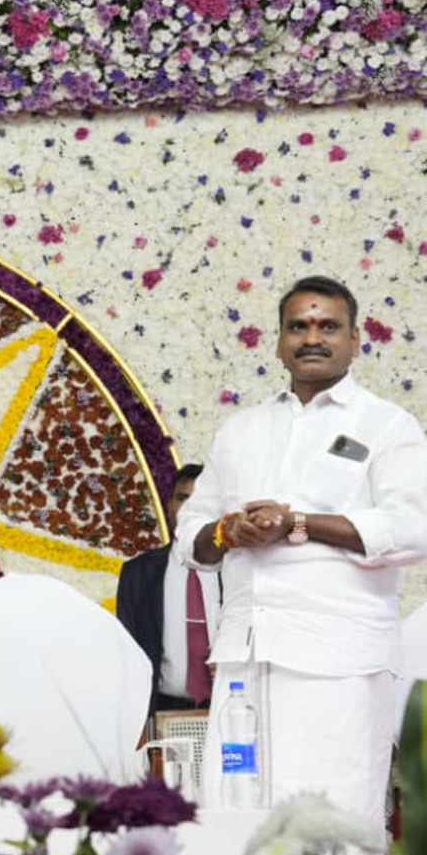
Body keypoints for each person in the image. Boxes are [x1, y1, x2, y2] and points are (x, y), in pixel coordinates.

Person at [176, 275, 427, 822]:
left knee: (331, 823)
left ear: (355, 339)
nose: (312, 337)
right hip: (245, 659)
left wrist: (300, 522)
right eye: (299, 326)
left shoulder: (387, 426)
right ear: (279, 341)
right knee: (237, 819)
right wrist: (229, 532)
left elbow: (412, 528)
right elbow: (191, 534)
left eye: (328, 326)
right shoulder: (241, 429)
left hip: (339, 665)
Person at [115, 463, 222, 716]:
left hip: (229, 705)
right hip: (162, 710)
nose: (189, 508)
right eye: (183, 498)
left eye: (199, 500)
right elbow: (128, 654)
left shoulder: (239, 570)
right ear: (170, 505)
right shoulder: (137, 574)